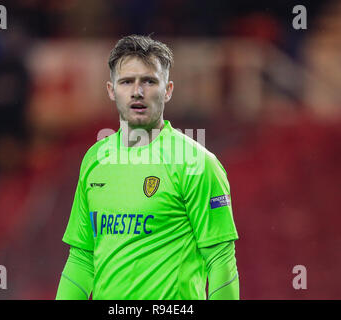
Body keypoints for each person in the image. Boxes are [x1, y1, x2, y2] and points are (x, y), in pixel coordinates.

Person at [56, 35, 239, 300]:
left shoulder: (197, 164)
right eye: (127, 81)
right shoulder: (94, 160)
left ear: (168, 90)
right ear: (111, 90)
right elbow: (82, 257)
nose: (137, 91)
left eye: (149, 81)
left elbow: (220, 259)